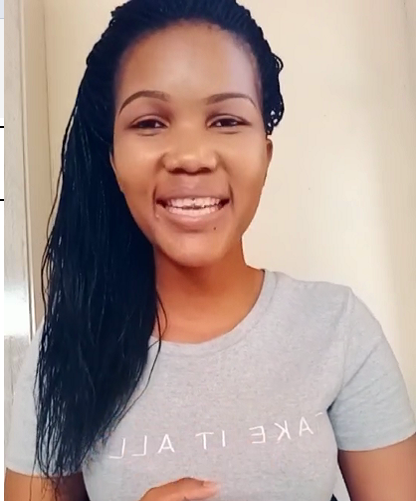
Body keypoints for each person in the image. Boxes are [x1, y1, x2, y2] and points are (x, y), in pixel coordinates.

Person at [4, 0, 416, 500]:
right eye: (149, 123)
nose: (191, 156)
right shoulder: (64, 348)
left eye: (226, 120)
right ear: (113, 158)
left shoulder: (339, 328)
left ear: (265, 154)